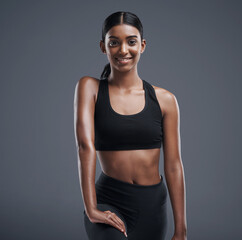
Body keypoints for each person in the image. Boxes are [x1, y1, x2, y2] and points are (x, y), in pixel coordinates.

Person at [73, 11, 187, 240]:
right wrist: (91, 208)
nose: (123, 50)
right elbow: (85, 147)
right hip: (109, 201)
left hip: (152, 207)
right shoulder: (90, 88)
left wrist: (181, 230)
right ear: (103, 47)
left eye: (131, 41)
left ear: (142, 45)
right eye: (114, 42)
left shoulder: (165, 100)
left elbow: (174, 165)